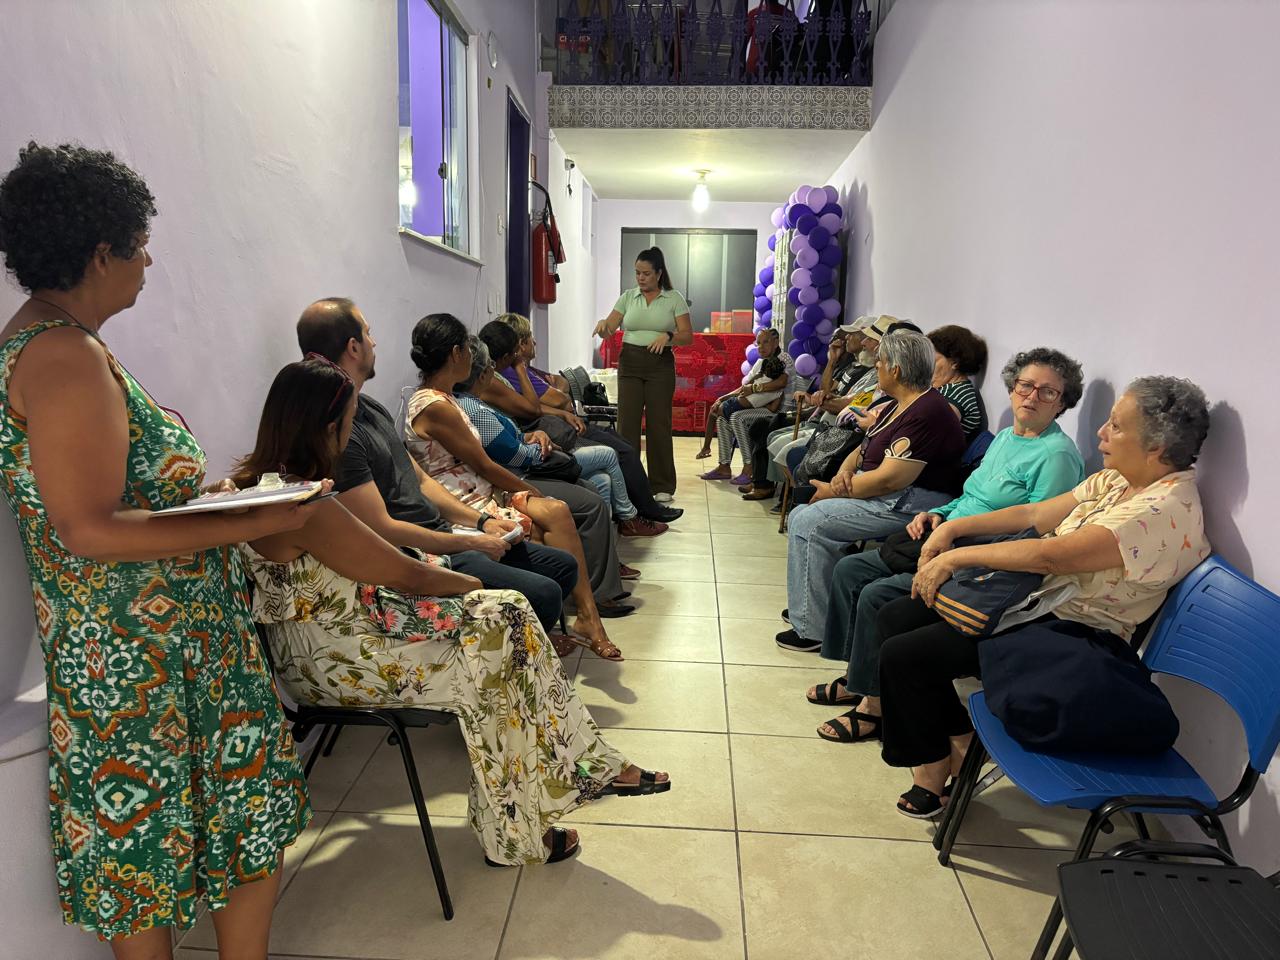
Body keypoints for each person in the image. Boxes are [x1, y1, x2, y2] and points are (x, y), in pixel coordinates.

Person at [0, 141, 313, 957]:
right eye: (140, 246)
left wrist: (212, 501)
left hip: (141, 651)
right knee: (188, 835)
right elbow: (89, 528)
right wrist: (252, 519)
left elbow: (116, 501)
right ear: (100, 253)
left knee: (150, 843)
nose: (149, 262)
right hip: (145, 656)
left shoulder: (55, 344)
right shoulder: (62, 355)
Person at [235, 359, 671, 864]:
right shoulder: (310, 507)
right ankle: (542, 805)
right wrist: (468, 583)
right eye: (349, 422)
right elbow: (406, 576)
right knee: (501, 644)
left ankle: (564, 783)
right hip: (341, 661)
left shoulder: (261, 489)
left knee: (506, 629)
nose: (351, 434)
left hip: (329, 645)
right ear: (327, 426)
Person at [877, 376, 1211, 818]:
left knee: (905, 655)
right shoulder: (1118, 479)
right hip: (1032, 600)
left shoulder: (1161, 510)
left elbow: (1051, 556)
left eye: (1115, 426)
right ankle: (959, 736)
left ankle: (933, 767)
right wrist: (953, 528)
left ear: (1156, 446)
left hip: (1070, 630)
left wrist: (956, 558)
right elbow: (1036, 514)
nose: (1101, 433)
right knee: (895, 616)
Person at [809, 348, 1086, 742]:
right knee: (850, 569)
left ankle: (874, 706)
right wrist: (937, 513)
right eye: (1025, 385)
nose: (1031, 397)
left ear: (1062, 403)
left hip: (977, 558)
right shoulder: (1006, 438)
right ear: (1012, 388)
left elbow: (1036, 530)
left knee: (876, 595)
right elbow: (971, 497)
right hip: (946, 534)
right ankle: (860, 677)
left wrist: (954, 536)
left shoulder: (1056, 455)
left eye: (1048, 392)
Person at [295, 299, 584, 648]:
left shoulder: (371, 408)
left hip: (444, 529)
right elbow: (382, 528)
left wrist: (481, 523)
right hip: (420, 549)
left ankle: (529, 641)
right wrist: (470, 540)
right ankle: (519, 651)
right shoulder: (343, 433)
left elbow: (421, 480)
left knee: (563, 566)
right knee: (546, 592)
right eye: (368, 334)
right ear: (353, 347)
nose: (375, 342)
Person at [406, 313, 626, 661]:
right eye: (467, 349)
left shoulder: (448, 399)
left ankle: (588, 618)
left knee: (557, 510)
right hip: (465, 500)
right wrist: (529, 489)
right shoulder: (435, 406)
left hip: (482, 488)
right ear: (455, 354)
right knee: (549, 512)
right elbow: (484, 463)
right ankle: (563, 621)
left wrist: (529, 441)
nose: (474, 358)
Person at [776, 330, 965, 652]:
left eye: (880, 362)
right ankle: (814, 606)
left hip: (908, 505)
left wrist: (835, 491)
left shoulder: (928, 412)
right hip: (882, 492)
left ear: (896, 370)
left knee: (810, 522)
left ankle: (812, 628)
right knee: (801, 515)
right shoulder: (898, 405)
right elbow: (862, 448)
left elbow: (890, 480)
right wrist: (843, 473)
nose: (876, 366)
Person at [454, 336, 663, 538]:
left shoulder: (480, 398)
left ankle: (607, 544)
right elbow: (527, 424)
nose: (534, 342)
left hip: (535, 450)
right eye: (528, 338)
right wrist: (545, 447)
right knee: (610, 455)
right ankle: (629, 518)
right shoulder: (481, 404)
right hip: (526, 470)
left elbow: (558, 390)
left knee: (603, 478)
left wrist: (532, 435)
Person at [594, 246, 692, 502]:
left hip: (660, 365)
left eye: (646, 273)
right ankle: (629, 483)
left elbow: (687, 336)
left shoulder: (674, 298)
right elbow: (610, 327)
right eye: (637, 273)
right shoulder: (628, 297)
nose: (640, 278)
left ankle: (662, 485)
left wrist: (668, 336)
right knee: (627, 425)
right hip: (630, 364)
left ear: (659, 274)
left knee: (659, 424)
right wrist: (603, 326)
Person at [744, 316, 874, 501]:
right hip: (817, 415)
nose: (843, 340)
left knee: (766, 428)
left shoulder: (869, 373)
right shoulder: (850, 366)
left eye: (850, 335)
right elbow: (826, 391)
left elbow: (841, 403)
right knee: (760, 426)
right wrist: (831, 361)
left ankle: (777, 490)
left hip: (828, 424)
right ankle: (761, 480)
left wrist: (817, 399)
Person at [697, 327, 798, 483]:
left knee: (737, 417)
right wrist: (722, 398)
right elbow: (745, 387)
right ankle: (724, 466)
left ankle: (749, 467)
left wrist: (754, 388)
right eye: (759, 343)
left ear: (776, 342)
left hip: (780, 412)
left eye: (766, 342)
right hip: (763, 406)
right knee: (722, 419)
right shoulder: (762, 362)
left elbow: (780, 383)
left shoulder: (783, 358)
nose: (761, 347)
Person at [927, 325, 988, 443]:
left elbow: (928, 434)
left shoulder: (959, 395)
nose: (927, 367)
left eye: (932, 360)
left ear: (955, 362)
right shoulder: (947, 388)